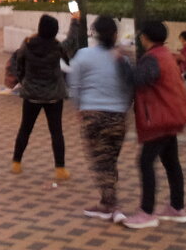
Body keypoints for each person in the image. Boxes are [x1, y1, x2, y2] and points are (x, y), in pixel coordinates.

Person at [123, 20, 186, 230]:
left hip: (160, 118)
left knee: (145, 162)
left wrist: (122, 61)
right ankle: (176, 207)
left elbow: (138, 79)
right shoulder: (165, 55)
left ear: (145, 38)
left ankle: (147, 212)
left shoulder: (152, 59)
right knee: (171, 161)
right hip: (172, 114)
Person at [67, 15, 134, 222]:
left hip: (92, 114)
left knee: (100, 160)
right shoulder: (122, 58)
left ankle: (110, 204)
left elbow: (74, 85)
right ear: (115, 34)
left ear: (94, 34)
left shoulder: (83, 55)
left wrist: (79, 107)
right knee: (109, 159)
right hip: (118, 116)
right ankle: (108, 201)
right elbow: (130, 86)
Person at [10, 12, 80, 180]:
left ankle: (16, 162)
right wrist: (75, 21)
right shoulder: (57, 47)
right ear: (55, 32)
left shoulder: (27, 44)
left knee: (25, 129)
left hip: (31, 94)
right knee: (56, 132)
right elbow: (71, 43)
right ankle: (60, 168)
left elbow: (18, 64)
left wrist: (24, 81)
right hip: (53, 95)